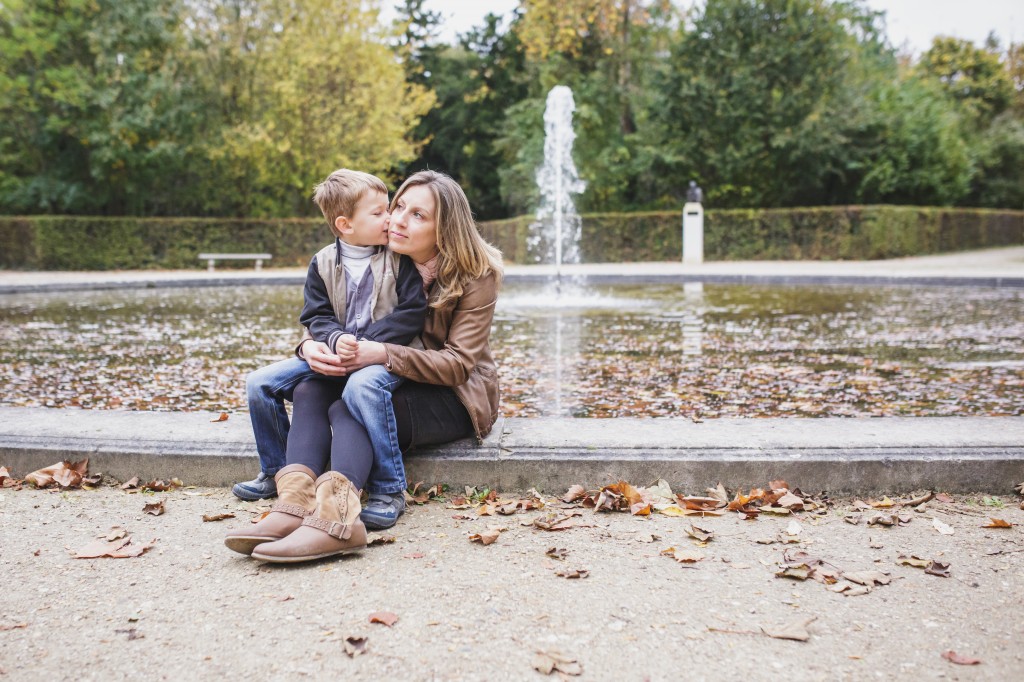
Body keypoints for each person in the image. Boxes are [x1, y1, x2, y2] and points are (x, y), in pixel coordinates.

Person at [225, 170, 503, 563]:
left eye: (418, 215)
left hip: (451, 394)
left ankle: (340, 520)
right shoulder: (381, 256)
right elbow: (331, 315)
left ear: (446, 228)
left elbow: (457, 365)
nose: (398, 219)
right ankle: (293, 504)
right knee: (310, 388)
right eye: (398, 206)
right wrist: (310, 346)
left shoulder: (475, 274)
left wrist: (379, 353)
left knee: (348, 403)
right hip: (387, 379)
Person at [231, 169, 426, 503]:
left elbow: (412, 312)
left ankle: (389, 486)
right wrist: (333, 340)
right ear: (345, 225)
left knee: (361, 390)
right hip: (335, 352)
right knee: (258, 384)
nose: (390, 218)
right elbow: (315, 315)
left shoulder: (399, 259)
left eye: (388, 209)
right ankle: (275, 471)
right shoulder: (321, 263)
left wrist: (368, 344)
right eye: (378, 213)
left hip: (382, 355)